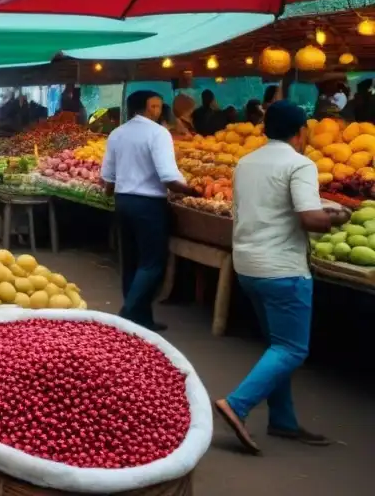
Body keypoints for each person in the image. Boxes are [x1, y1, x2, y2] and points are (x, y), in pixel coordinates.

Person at [214, 100, 349, 454]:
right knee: (291, 348)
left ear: (264, 129)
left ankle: (283, 420)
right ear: (301, 132)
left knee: (277, 344)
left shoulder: (245, 163)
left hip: (247, 266)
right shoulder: (299, 163)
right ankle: (237, 404)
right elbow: (310, 219)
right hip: (282, 269)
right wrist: (338, 217)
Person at [101, 90, 196, 331]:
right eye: (155, 106)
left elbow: (108, 177)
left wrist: (111, 196)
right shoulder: (158, 133)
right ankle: (126, 315)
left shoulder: (117, 133)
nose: (159, 110)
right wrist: (192, 191)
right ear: (144, 108)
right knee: (152, 263)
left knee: (131, 261)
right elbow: (168, 176)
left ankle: (142, 320)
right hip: (148, 204)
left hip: (123, 201)